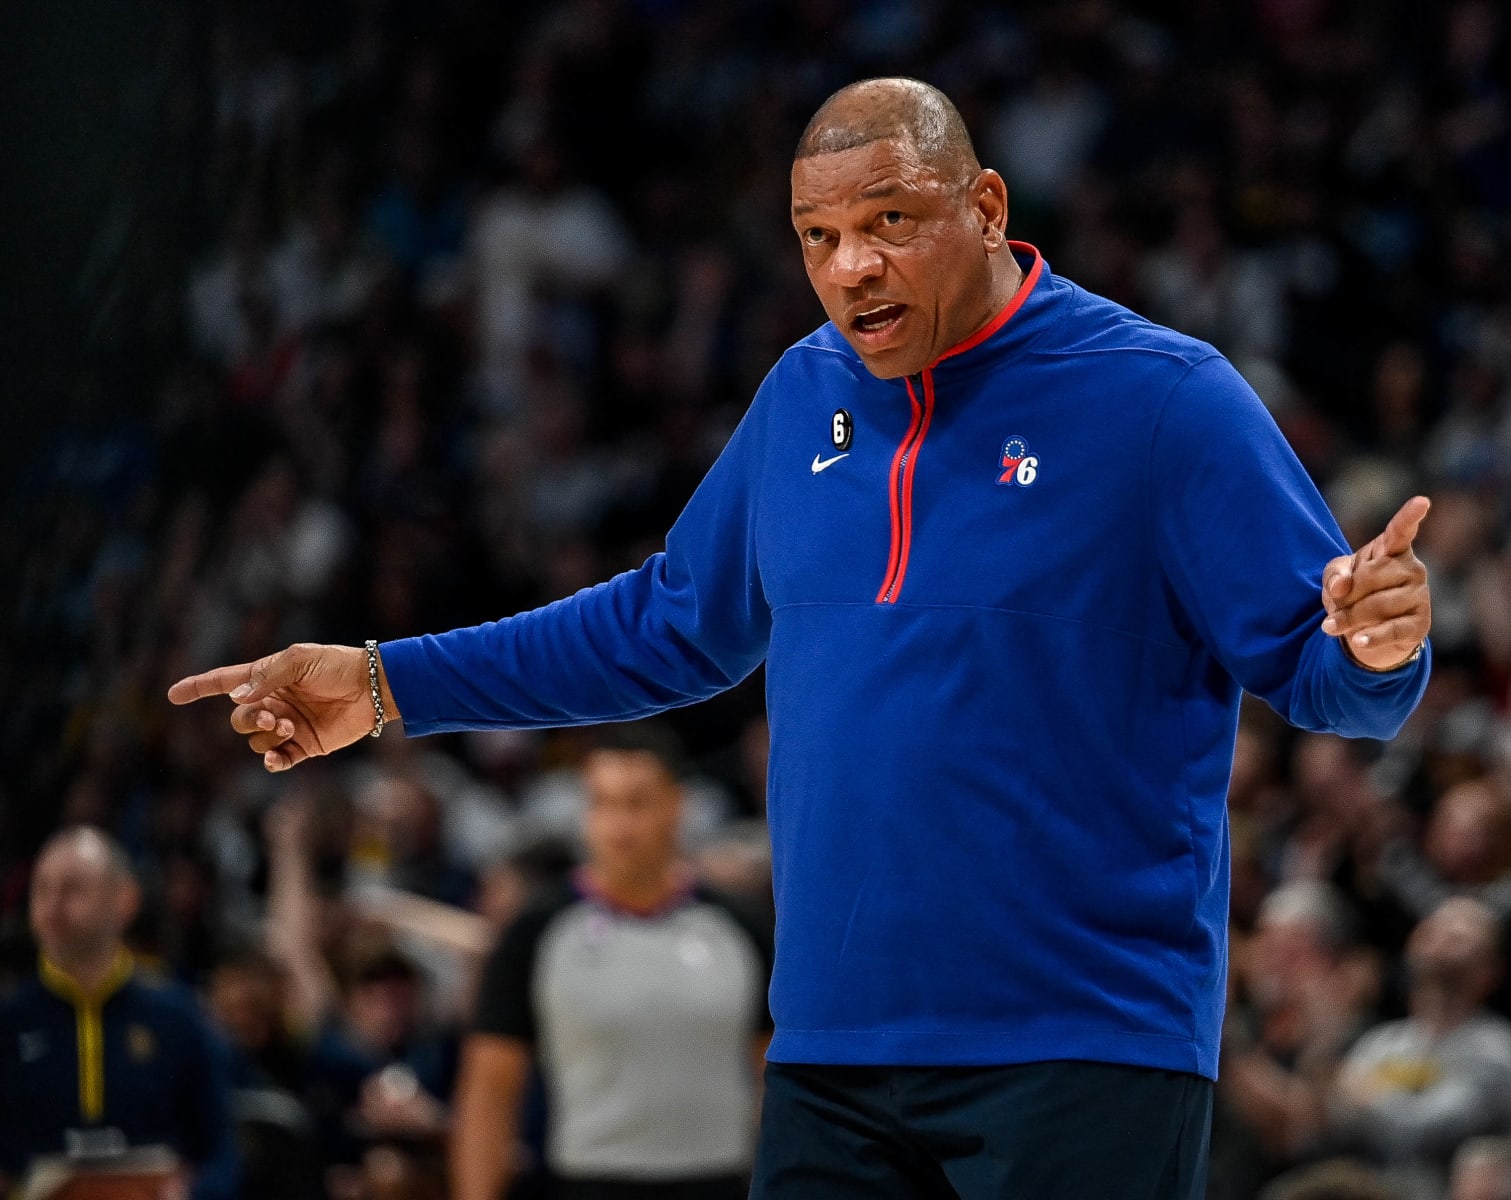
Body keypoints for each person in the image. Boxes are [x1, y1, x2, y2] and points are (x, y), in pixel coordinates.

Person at [169, 78, 1434, 1199]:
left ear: (986, 207)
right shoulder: (801, 395)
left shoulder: (1167, 400)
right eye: (818, 237)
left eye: (890, 222)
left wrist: (1378, 651)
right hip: (832, 1057)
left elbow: (1324, 672)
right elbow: (665, 624)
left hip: (1083, 1045)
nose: (852, 268)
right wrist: (387, 683)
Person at [452, 738, 772, 1200]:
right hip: (588, 1185)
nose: (619, 825)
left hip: (720, 1184)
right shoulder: (536, 930)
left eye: (637, 803)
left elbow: (775, 1080)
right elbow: (490, 1092)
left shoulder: (739, 926)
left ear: (677, 805)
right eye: (603, 803)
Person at [0, 827, 240, 1199]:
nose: (52, 906)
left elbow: (222, 1153)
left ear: (124, 900)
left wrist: (192, 1193)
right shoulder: (9, 1022)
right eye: (42, 889)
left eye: (73, 889)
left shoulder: (178, 1017)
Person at [1333, 898, 1511, 1200]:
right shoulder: (1382, 1043)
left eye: (1462, 936)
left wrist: (1365, 1096)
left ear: (1490, 970)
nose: (1445, 939)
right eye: (1434, 930)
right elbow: (1336, 1123)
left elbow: (1424, 1131)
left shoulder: (1499, 1051)